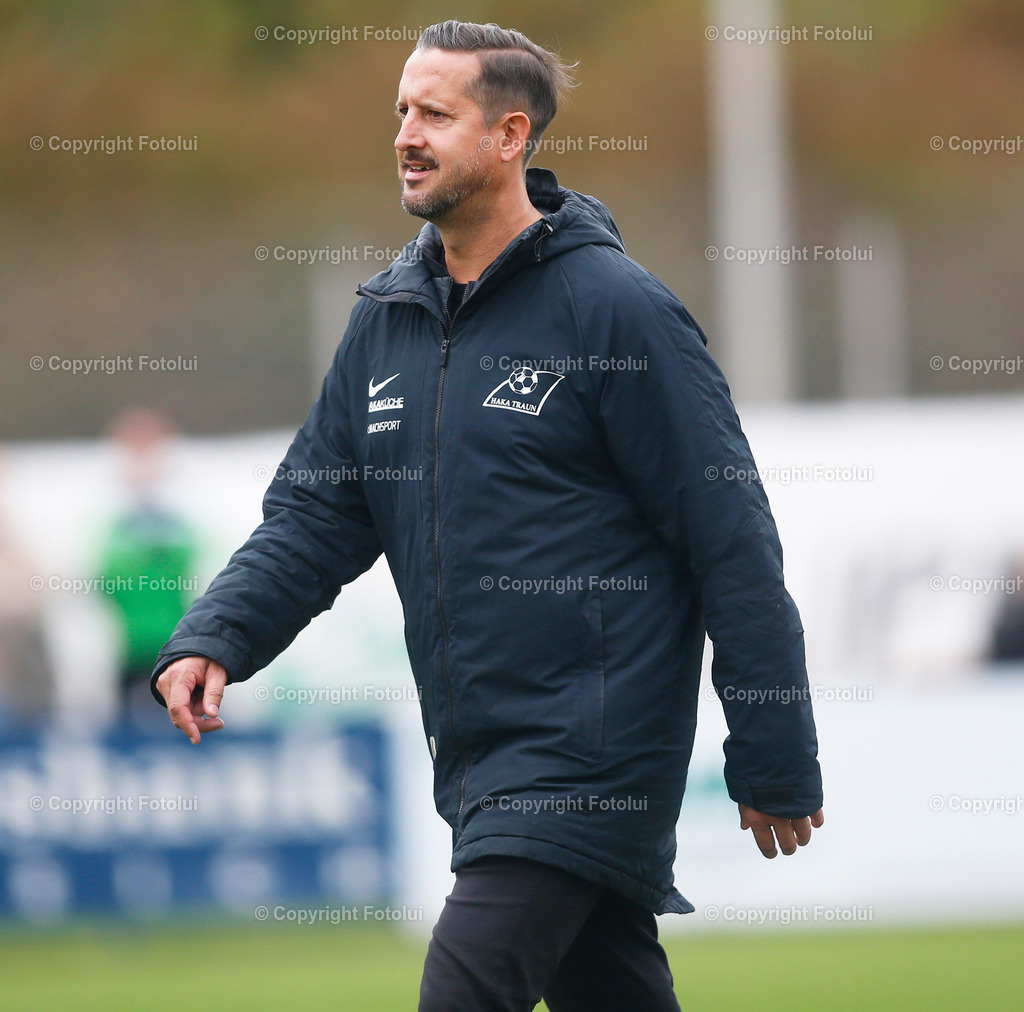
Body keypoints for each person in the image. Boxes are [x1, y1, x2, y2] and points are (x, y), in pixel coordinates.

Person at [151, 20, 824, 1011]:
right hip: (480, 768)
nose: (405, 134)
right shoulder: (387, 319)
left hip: (587, 757)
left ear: (511, 135)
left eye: (434, 112)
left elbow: (729, 538)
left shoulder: (616, 311)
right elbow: (311, 517)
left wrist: (772, 744)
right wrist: (215, 634)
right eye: (400, 111)